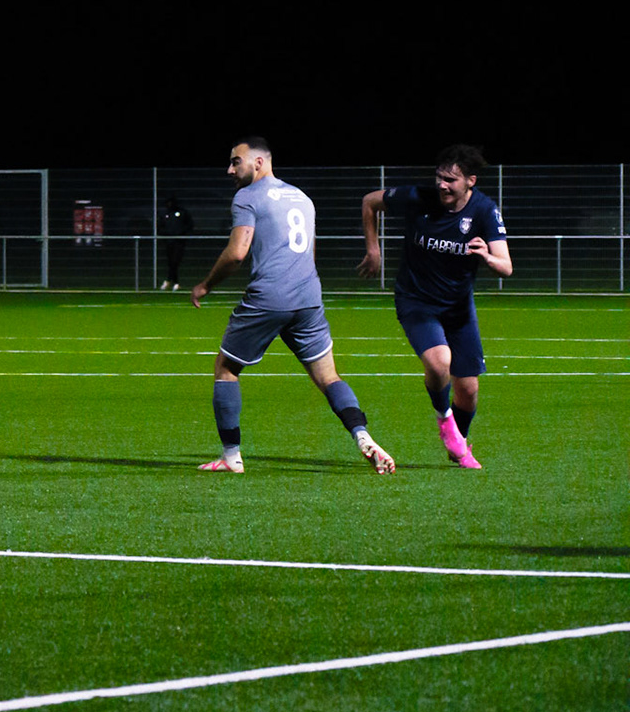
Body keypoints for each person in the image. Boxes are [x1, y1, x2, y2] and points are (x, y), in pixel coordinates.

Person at [191, 137, 395, 474]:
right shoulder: (301, 197)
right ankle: (363, 436)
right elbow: (309, 254)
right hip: (308, 297)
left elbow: (238, 252)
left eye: (235, 161)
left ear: (258, 162)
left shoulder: (247, 197)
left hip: (270, 297)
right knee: (329, 376)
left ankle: (231, 458)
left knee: (226, 369)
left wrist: (204, 285)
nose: (230, 169)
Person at [358, 144, 513, 469]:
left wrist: (486, 257)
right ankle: (446, 425)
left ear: (470, 181)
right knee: (440, 362)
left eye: (451, 180)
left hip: (458, 307)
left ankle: (459, 442)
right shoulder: (419, 198)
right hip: (417, 301)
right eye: (440, 177)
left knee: (468, 390)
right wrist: (373, 249)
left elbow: (506, 266)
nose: (442, 185)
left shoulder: (484, 210)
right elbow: (370, 201)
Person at [158, 195, 194, 290]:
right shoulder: (165, 214)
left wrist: (181, 233)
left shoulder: (182, 213)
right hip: (169, 241)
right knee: (171, 262)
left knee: (175, 261)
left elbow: (189, 225)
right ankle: (174, 282)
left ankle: (170, 281)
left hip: (179, 241)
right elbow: (160, 227)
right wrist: (166, 234)